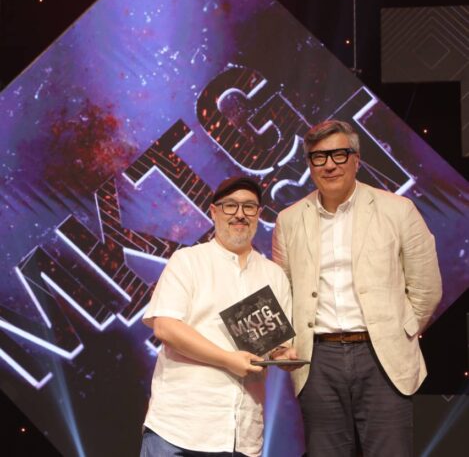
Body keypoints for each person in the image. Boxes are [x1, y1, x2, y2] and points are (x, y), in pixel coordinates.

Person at [272, 120, 442, 456]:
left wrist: (399, 332)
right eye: (319, 157)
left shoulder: (398, 210)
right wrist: (284, 346)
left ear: (356, 159)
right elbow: (282, 291)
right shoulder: (289, 220)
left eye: (339, 154)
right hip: (317, 358)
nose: (329, 165)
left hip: (382, 355)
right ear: (309, 164)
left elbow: (427, 287)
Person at [140, 176, 292, 457]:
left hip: (242, 436)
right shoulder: (188, 261)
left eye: (249, 207)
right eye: (230, 205)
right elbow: (166, 328)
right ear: (214, 211)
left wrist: (285, 355)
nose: (240, 214)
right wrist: (227, 359)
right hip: (179, 429)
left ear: (258, 214)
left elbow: (274, 343)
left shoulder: (274, 275)